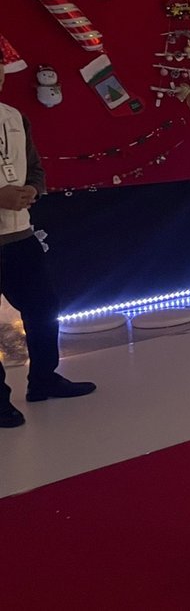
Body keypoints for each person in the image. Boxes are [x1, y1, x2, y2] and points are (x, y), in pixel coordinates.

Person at [0, 62, 95, 430]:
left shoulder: (14, 117)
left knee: (44, 308)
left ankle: (43, 379)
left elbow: (35, 169)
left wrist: (32, 190)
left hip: (20, 235)